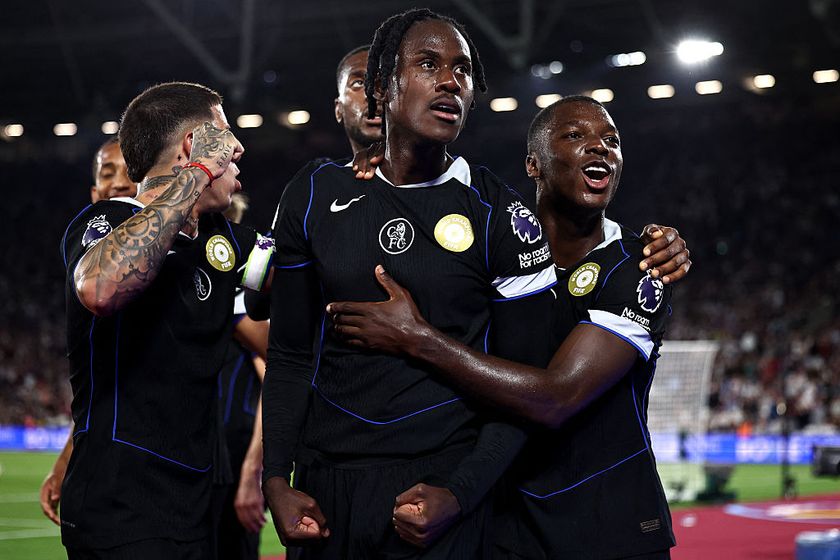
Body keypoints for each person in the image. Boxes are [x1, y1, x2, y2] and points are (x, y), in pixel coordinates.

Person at [329, 96, 681, 558]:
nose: (600, 149)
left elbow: (558, 398)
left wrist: (417, 338)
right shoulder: (494, 251)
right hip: (505, 522)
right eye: (576, 136)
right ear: (533, 165)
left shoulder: (639, 268)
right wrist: (391, 158)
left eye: (611, 142)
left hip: (609, 525)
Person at [262, 9, 559, 559]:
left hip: (438, 494)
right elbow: (289, 354)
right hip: (325, 492)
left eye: (463, 71)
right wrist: (277, 479)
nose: (451, 81)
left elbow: (528, 390)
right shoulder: (312, 193)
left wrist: (460, 494)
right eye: (429, 64)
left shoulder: (502, 216)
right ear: (383, 86)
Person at [60, 81, 273, 559]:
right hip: (121, 511)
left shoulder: (227, 242)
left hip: (194, 507)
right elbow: (99, 287)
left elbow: (302, 272)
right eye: (223, 134)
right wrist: (198, 172)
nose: (237, 146)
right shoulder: (108, 220)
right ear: (190, 147)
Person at [40, 138, 138, 526]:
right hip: (108, 470)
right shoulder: (86, 258)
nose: (117, 182)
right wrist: (65, 461)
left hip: (182, 466)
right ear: (95, 193)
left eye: (128, 171)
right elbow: (97, 390)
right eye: (106, 173)